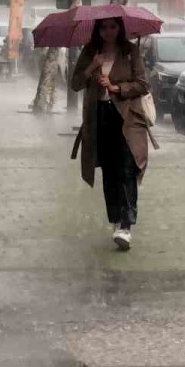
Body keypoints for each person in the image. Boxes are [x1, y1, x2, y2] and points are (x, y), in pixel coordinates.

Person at [70, 18, 150, 250]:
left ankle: (126, 225)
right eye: (104, 27)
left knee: (127, 168)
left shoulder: (130, 51)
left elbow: (142, 84)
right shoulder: (90, 51)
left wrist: (116, 88)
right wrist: (92, 67)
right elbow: (75, 83)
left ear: (120, 28)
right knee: (109, 170)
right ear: (98, 29)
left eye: (113, 26)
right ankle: (116, 219)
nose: (108, 31)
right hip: (99, 116)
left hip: (127, 118)